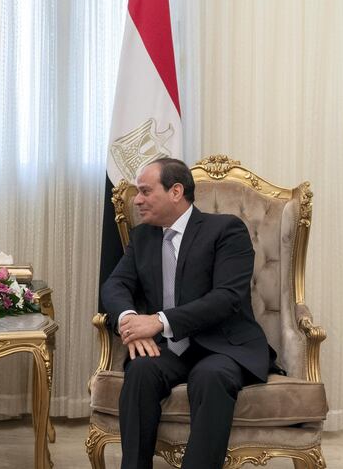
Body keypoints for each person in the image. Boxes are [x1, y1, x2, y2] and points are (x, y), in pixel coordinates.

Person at [101, 158, 270, 469]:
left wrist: (157, 321)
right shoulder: (143, 238)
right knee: (140, 370)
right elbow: (114, 286)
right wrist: (127, 319)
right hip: (170, 348)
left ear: (176, 191)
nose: (137, 199)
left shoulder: (226, 230)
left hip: (224, 345)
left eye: (145, 191)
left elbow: (226, 298)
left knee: (210, 376)